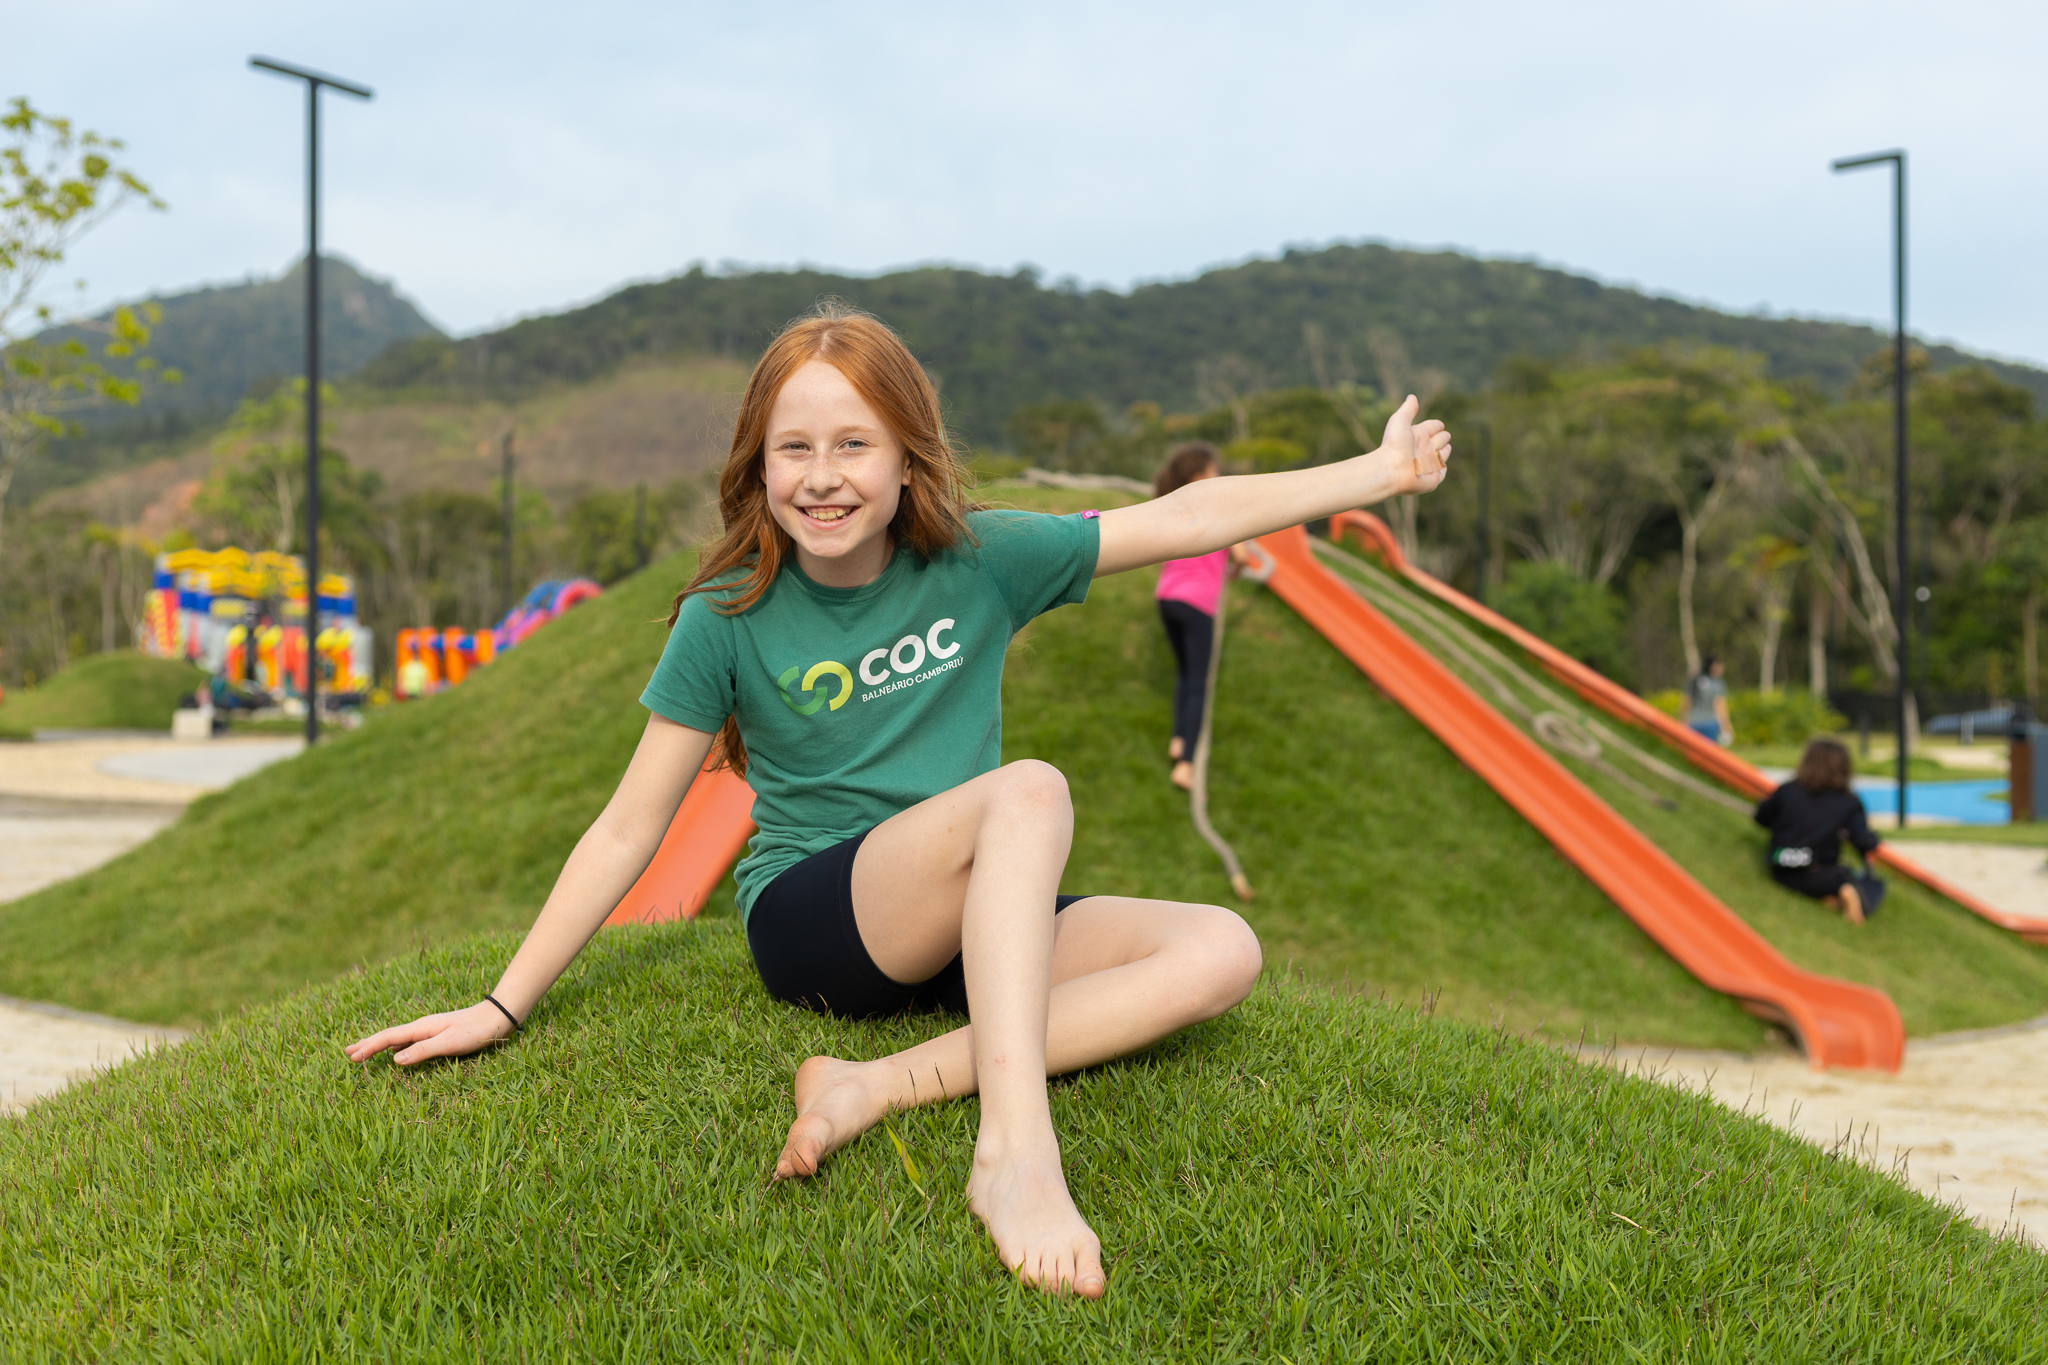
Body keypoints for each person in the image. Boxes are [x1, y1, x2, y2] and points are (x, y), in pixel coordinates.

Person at [345, 306, 1452, 1300]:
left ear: (907, 458)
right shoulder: (729, 613)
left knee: (1220, 950)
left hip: (968, 916)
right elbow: (629, 826)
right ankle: (1014, 1154)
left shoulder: (980, 561)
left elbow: (1185, 515)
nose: (822, 477)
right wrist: (503, 1005)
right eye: (794, 447)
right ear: (757, 463)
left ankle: (876, 1084)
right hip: (819, 919)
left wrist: (1374, 473)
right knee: (1028, 791)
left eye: (853, 445)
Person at [1152, 443, 1252, 791]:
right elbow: (1241, 555)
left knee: (1184, 672)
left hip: (1167, 598)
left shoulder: (1174, 507)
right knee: (1198, 682)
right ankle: (1186, 765)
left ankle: (1179, 738)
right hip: (1197, 603)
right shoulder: (1218, 510)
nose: (1217, 475)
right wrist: (1236, 568)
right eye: (1213, 470)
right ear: (1199, 476)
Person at [1753, 738, 1884, 924]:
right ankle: (1844, 891)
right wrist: (1874, 840)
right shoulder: (1848, 801)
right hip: (1818, 871)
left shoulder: (1788, 790)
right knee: (1868, 883)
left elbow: (1761, 818)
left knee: (1804, 881)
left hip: (1781, 865)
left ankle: (1832, 898)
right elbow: (1863, 840)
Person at [1687, 655, 1733, 746]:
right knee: (1708, 750)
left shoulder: (1695, 681)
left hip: (1694, 722)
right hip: (1710, 723)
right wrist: (1726, 725)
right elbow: (1718, 705)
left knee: (1694, 749)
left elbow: (1687, 703)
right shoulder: (1717, 683)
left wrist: (1684, 721)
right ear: (1713, 667)